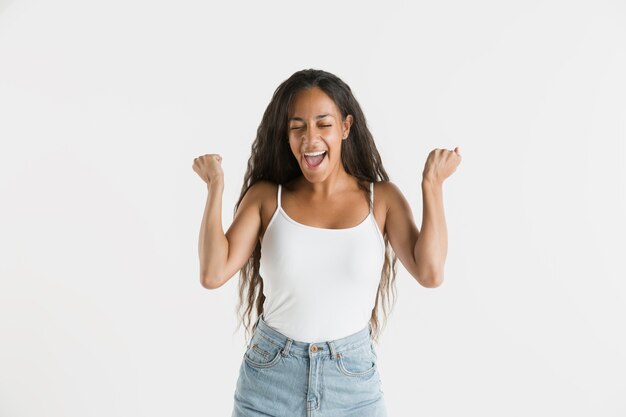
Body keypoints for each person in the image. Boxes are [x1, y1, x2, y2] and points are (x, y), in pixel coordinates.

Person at [192, 69, 461, 417]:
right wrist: (215, 185)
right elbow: (213, 273)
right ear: (286, 135)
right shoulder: (266, 199)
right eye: (297, 126)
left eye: (323, 124)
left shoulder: (381, 200)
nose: (310, 139)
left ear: (345, 128)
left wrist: (432, 184)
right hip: (270, 381)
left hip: (352, 383)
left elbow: (430, 272)